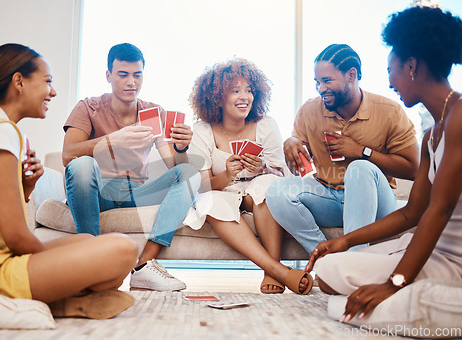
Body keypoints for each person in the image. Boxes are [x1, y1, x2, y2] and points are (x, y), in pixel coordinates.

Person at [305, 5, 462, 322]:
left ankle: (423, 300)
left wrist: (395, 282)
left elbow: (440, 209)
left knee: (345, 302)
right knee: (328, 271)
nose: (390, 81)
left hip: (454, 260)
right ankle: (408, 301)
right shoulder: (432, 134)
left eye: (391, 70)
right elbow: (412, 212)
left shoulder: (460, 117)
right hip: (423, 249)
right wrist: (345, 241)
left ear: (412, 66)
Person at [0, 43, 138, 319]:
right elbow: (16, 236)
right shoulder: (0, 132)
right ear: (19, 81)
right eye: (47, 82)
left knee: (85, 241)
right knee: (123, 249)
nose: (53, 91)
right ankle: (38, 302)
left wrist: (27, 186)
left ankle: (56, 301)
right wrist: (51, 262)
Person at [62, 43, 201, 291]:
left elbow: (174, 167)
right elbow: (68, 155)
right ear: (108, 76)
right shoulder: (88, 107)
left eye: (137, 75)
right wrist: (111, 140)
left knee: (189, 174)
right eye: (123, 75)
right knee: (82, 164)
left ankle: (145, 264)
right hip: (97, 190)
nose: (131, 83)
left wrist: (181, 148)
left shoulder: (152, 112)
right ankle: (91, 262)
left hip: (133, 193)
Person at [265, 43, 420, 254]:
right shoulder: (309, 111)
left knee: (360, 168)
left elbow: (414, 170)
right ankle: (326, 258)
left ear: (351, 75)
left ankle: (354, 262)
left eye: (327, 81)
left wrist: (362, 151)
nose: (321, 89)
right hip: (330, 197)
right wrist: (291, 143)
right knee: (277, 191)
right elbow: (300, 168)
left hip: (377, 204)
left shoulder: (389, 111)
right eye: (317, 82)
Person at [184, 58, 312, 294]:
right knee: (209, 201)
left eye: (249, 90)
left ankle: (269, 273)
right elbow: (201, 187)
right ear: (217, 98)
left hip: (256, 189)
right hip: (220, 190)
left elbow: (282, 177)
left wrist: (263, 167)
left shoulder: (265, 124)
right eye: (235, 91)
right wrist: (226, 174)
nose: (245, 96)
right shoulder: (203, 130)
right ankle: (279, 271)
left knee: (269, 186)